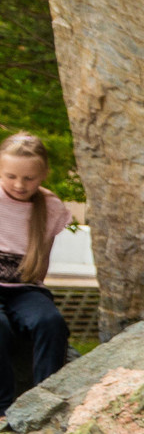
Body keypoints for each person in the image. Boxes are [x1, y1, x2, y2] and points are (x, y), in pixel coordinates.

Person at [0, 131, 72, 411]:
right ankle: (3, 406)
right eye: (11, 176)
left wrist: (34, 305)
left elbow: (41, 261)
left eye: (29, 178)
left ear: (43, 175)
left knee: (50, 322)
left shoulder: (51, 207)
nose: (19, 185)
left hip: (25, 289)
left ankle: (44, 402)